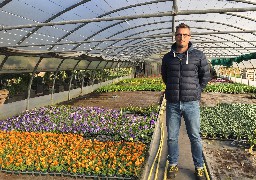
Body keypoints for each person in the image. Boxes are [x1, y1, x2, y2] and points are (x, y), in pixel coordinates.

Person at [161, 23, 210, 180]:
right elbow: (165, 77)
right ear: (175, 36)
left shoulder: (198, 55)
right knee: (171, 137)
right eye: (179, 34)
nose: (182, 37)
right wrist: (173, 90)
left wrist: (197, 91)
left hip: (191, 103)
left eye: (185, 35)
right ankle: (173, 164)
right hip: (173, 103)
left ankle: (199, 167)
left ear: (190, 37)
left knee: (195, 136)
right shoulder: (167, 57)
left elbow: (205, 75)